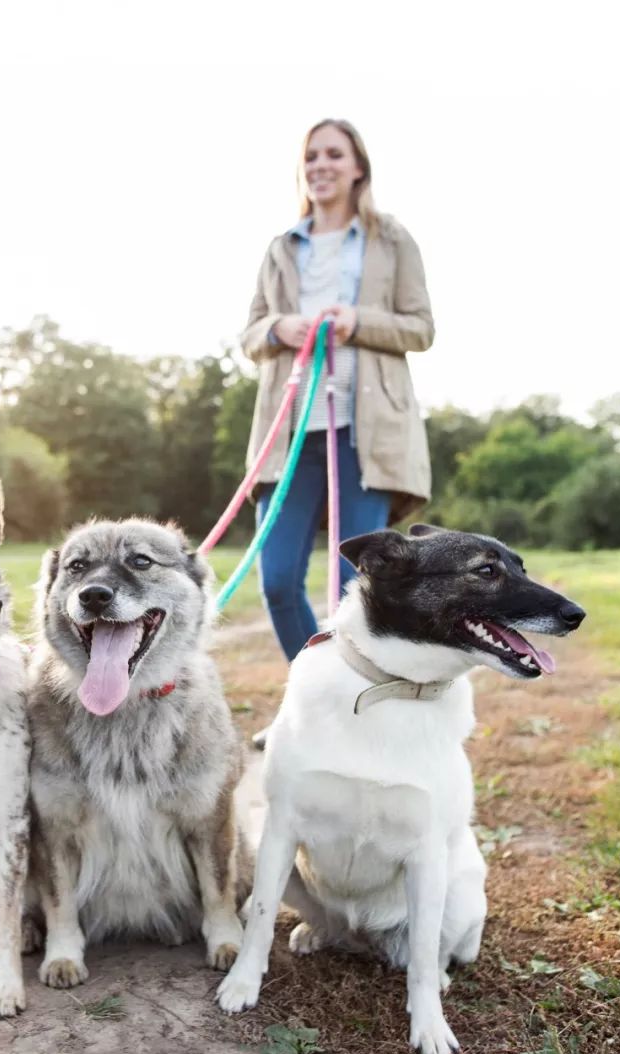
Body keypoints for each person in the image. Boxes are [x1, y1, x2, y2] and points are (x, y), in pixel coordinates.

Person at [241, 117, 436, 665]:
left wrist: (357, 319)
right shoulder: (282, 247)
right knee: (278, 579)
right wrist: (281, 328)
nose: (320, 166)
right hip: (290, 435)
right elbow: (251, 332)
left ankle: (362, 702)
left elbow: (420, 328)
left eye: (333, 155)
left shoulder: (391, 240)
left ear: (357, 169)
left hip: (364, 435)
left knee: (360, 585)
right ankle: (314, 685)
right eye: (311, 157)